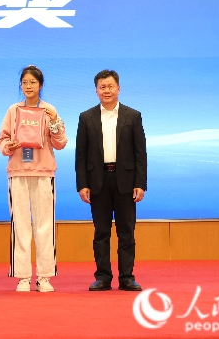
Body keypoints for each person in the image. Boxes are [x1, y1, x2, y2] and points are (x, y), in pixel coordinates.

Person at [0, 65, 67, 292]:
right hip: (18, 172)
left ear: (40, 85)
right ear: (20, 85)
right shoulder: (13, 110)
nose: (28, 86)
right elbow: (1, 140)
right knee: (21, 225)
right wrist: (9, 146)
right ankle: (23, 277)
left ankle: (44, 276)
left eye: (33, 82)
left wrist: (54, 122)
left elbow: (60, 143)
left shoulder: (49, 110)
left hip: (44, 173)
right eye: (25, 82)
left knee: (45, 225)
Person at [75, 69, 147, 292]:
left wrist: (140, 183)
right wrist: (82, 184)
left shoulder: (132, 116)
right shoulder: (86, 117)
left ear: (118, 88)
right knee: (101, 232)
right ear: (96, 90)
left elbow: (140, 153)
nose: (107, 90)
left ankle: (127, 277)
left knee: (126, 232)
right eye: (102, 87)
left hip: (125, 180)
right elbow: (81, 154)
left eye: (110, 86)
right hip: (98, 180)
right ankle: (103, 277)